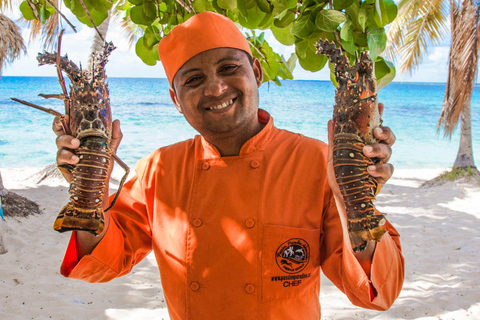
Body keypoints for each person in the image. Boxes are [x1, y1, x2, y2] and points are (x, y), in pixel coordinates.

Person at [54, 11, 404, 320]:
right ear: (176, 100)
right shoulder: (156, 171)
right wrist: (91, 189)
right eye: (193, 79)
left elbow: (376, 293)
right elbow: (99, 263)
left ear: (256, 71)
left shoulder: (317, 162)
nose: (216, 88)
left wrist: (353, 194)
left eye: (229, 68)